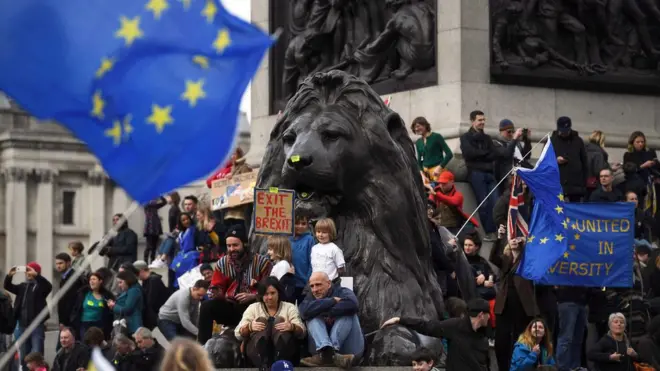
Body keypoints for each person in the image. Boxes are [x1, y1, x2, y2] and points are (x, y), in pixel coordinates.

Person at [197, 225, 272, 345]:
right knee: (206, 307)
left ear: (245, 244)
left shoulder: (262, 263)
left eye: (235, 245)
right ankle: (202, 348)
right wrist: (216, 293)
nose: (232, 249)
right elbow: (216, 286)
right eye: (229, 246)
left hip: (254, 308)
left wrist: (253, 296)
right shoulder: (222, 263)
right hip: (231, 307)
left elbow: (270, 290)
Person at [381, 298, 491, 371]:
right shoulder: (455, 326)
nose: (490, 317)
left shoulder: (484, 339)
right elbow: (427, 326)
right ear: (481, 315)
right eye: (488, 314)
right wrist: (400, 320)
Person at [235, 277, 305, 368]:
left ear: (278, 293)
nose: (270, 297)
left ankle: (279, 363)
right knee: (261, 321)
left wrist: (292, 327)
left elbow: (302, 332)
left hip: (284, 354)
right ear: (261, 295)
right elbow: (237, 334)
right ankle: (264, 365)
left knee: (280, 320)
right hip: (257, 354)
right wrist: (249, 327)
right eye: (266, 294)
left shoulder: (289, 307)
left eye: (273, 293)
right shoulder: (253, 308)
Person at [299, 272, 364, 368]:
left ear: (329, 284)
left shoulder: (343, 291)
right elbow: (303, 312)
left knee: (348, 313)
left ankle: (330, 353)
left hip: (350, 351)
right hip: (319, 351)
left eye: (318, 285)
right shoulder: (310, 297)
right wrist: (331, 301)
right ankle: (327, 351)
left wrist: (323, 311)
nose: (314, 290)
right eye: (312, 286)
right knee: (311, 317)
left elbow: (353, 305)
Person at [459, 110, 499, 240]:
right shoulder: (466, 137)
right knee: (484, 203)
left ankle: (498, 230)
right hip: (476, 173)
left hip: (489, 173)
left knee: (495, 202)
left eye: (483, 120)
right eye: (479, 120)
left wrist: (481, 154)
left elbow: (494, 154)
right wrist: (485, 153)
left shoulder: (487, 138)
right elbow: (469, 154)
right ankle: (490, 231)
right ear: (472, 121)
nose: (482, 122)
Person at [4, 262, 52, 369]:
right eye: (26, 271)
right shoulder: (23, 286)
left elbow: (48, 287)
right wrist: (9, 276)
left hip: (36, 326)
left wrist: (37, 276)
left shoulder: (40, 287)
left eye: (30, 270)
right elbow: (7, 286)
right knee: (24, 357)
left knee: (37, 354)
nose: (28, 273)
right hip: (22, 326)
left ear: (36, 272)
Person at [551, 116, 588, 202]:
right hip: (557, 184)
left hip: (575, 186)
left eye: (566, 131)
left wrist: (584, 183)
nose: (564, 133)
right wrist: (555, 160)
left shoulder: (578, 141)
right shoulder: (551, 141)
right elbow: (544, 161)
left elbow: (584, 162)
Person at [70, 272, 115, 340]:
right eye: (90, 279)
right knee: (85, 345)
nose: (91, 281)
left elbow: (110, 312)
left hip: (99, 325)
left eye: (94, 279)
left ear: (100, 281)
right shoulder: (83, 293)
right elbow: (75, 308)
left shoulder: (106, 295)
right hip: (84, 325)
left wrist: (111, 307)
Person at [54, 253, 85, 351]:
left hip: (71, 320)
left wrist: (64, 321)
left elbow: (69, 301)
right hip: (68, 319)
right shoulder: (64, 277)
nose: (58, 266)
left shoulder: (73, 278)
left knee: (65, 348)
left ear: (68, 263)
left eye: (61, 263)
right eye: (57, 264)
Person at [411, 116, 453, 181]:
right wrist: (422, 174)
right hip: (425, 174)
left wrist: (439, 167)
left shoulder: (436, 137)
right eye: (415, 127)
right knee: (426, 190)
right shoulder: (418, 142)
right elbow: (420, 160)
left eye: (418, 126)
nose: (416, 129)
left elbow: (449, 154)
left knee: (436, 190)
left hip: (437, 172)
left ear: (425, 125)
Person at [133, 261, 170, 330]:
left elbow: (150, 302)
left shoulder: (153, 280)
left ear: (141, 271)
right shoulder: (146, 280)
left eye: (135, 273)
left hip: (159, 317)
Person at [310, 218, 345, 284]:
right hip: (316, 282)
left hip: (330, 283)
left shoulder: (334, 248)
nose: (320, 235)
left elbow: (341, 268)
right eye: (318, 232)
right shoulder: (314, 248)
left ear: (331, 233)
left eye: (324, 232)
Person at [107, 270, 144, 334]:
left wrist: (113, 306)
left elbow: (127, 309)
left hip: (133, 326)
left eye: (120, 282)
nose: (119, 285)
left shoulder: (134, 290)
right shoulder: (129, 290)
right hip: (128, 324)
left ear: (127, 280)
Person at [289, 215, 314, 304]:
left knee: (303, 310)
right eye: (296, 223)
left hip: (304, 283)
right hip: (289, 282)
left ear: (307, 225)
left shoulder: (309, 239)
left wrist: (308, 280)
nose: (300, 226)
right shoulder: (287, 239)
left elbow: (312, 262)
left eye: (303, 224)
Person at [143, 196, 167, 263]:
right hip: (149, 227)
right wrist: (153, 195)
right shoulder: (147, 204)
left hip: (155, 228)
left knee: (154, 246)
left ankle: (152, 261)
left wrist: (160, 195)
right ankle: (145, 261)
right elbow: (150, 203)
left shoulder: (154, 205)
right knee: (148, 246)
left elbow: (164, 202)